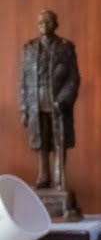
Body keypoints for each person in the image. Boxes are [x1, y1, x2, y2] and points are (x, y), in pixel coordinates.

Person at [18, 10, 80, 189]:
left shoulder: (65, 47)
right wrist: (24, 107)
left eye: (48, 21)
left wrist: (64, 98)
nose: (44, 25)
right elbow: (23, 80)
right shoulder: (29, 48)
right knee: (41, 139)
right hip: (35, 100)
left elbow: (73, 78)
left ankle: (60, 176)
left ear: (56, 24)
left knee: (59, 139)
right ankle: (44, 176)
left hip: (58, 101)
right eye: (40, 22)